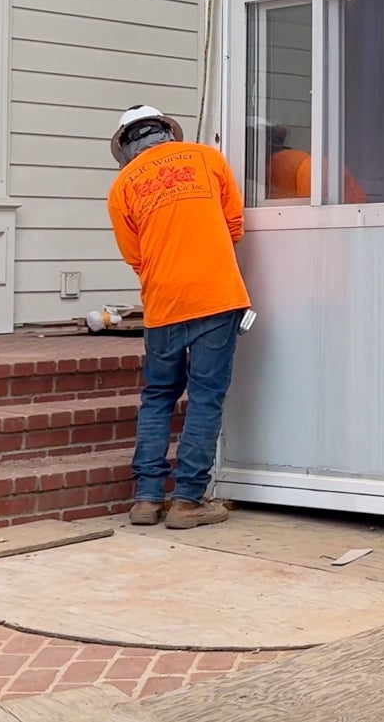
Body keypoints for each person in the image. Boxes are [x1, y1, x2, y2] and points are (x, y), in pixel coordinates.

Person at [106, 105, 249, 530]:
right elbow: (234, 225)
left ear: (126, 146)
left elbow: (135, 256)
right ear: (166, 131)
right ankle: (188, 501)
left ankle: (147, 500)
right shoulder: (207, 158)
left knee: (158, 397)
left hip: (163, 304)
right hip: (215, 296)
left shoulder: (122, 186)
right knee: (205, 397)